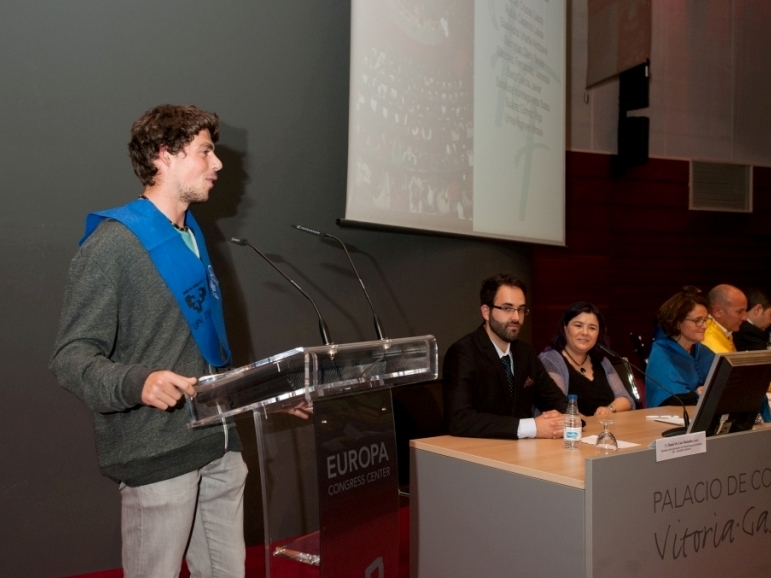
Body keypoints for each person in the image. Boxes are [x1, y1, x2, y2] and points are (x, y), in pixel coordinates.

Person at [50, 105, 247, 578]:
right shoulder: (113, 244)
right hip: (158, 456)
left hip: (220, 444)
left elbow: (201, 349)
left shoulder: (194, 237)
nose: (218, 163)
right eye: (205, 151)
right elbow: (70, 357)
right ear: (165, 155)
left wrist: (267, 394)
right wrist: (139, 382)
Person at [442, 273, 568, 439]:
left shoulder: (525, 352)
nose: (516, 317)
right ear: (486, 312)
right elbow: (459, 419)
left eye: (521, 309)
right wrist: (532, 427)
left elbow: (559, 403)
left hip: (524, 450)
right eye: (507, 309)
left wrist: (567, 419)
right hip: (478, 450)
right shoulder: (463, 352)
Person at [538, 302, 634, 417]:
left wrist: (609, 409)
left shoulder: (602, 361)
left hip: (605, 426)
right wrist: (586, 423)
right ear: (565, 327)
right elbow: (558, 407)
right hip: (572, 428)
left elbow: (626, 399)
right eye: (578, 326)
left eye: (592, 328)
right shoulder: (550, 360)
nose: (585, 332)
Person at [645, 287, 716, 408]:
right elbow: (673, 399)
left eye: (705, 320)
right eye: (697, 320)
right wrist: (698, 393)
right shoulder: (662, 352)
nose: (704, 326)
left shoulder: (702, 350)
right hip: (671, 416)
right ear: (677, 323)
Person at [702, 284, 748, 353]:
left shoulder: (724, 330)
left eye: (745, 311)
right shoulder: (708, 337)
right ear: (718, 311)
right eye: (739, 311)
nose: (744, 317)